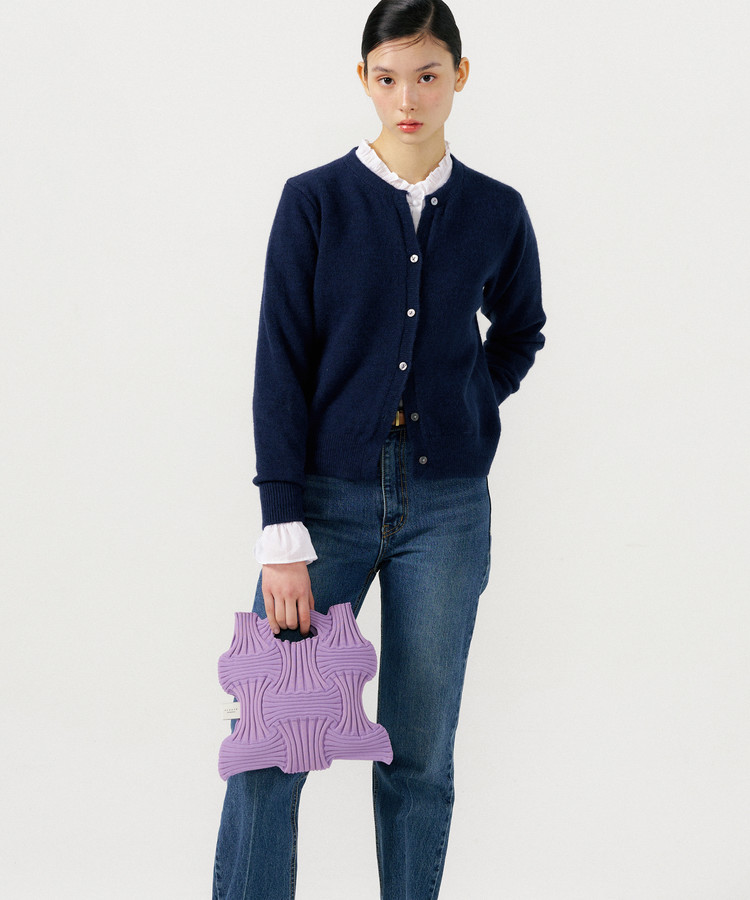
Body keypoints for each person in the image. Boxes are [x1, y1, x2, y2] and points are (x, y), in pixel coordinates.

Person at [212, 1, 546, 897]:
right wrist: (281, 530)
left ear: (459, 77)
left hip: (447, 511)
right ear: (363, 78)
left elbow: (521, 330)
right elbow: (280, 364)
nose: (408, 99)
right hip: (325, 505)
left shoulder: (496, 211)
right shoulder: (315, 201)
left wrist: (470, 398)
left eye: (428, 76)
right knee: (270, 745)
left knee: (418, 755)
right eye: (389, 77)